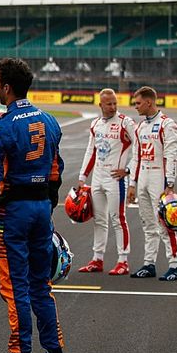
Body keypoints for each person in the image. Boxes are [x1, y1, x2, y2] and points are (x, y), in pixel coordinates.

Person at [0, 58, 65, 353]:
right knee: (41, 282)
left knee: (15, 286)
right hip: (41, 208)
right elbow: (57, 170)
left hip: (12, 213)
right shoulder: (51, 120)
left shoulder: (1, 127)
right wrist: (47, 204)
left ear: (7, 87)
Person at [76, 89, 136, 276]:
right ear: (100, 105)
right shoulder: (95, 124)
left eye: (115, 103)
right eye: (108, 104)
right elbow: (90, 151)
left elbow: (139, 148)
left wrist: (127, 170)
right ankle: (97, 259)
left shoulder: (125, 123)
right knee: (99, 220)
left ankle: (123, 260)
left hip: (115, 179)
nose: (112, 107)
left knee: (118, 219)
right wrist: (82, 177)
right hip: (98, 179)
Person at [127, 86, 177, 281]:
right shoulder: (140, 126)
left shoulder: (167, 124)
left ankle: (174, 265)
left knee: (165, 224)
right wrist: (132, 184)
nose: (135, 107)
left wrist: (170, 183)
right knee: (147, 224)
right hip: (143, 177)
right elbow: (136, 157)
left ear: (149, 102)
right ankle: (149, 264)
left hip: (159, 178)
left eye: (138, 103)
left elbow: (171, 155)